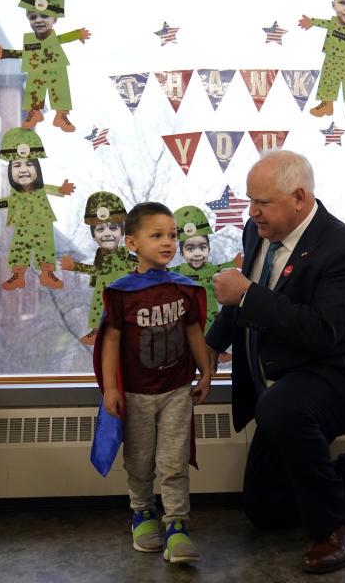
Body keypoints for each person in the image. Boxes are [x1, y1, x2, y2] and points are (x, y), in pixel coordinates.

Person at [205, 151, 345, 574]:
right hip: (291, 380)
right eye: (250, 201)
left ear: (299, 197)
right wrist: (212, 348)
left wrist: (247, 294)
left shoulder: (343, 247)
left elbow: (322, 331)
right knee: (265, 509)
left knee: (280, 407)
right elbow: (244, 296)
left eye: (262, 202)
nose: (253, 212)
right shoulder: (256, 232)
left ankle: (336, 527)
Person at [94, 202, 213, 564]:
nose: (168, 242)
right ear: (132, 242)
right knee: (141, 460)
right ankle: (142, 514)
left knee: (174, 461)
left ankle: (177, 524)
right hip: (136, 392)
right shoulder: (122, 292)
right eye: (157, 235)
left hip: (177, 390)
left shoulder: (183, 288)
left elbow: (193, 329)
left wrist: (205, 371)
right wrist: (111, 390)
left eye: (173, 235)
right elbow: (110, 339)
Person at [0, 127, 74, 291]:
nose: (23, 169)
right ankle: (17, 275)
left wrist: (62, 190)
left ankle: (47, 274)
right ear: (10, 171)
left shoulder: (40, 189)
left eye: (29, 164)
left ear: (37, 169)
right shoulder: (16, 194)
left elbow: (51, 189)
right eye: (16, 165)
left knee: (46, 248)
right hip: (22, 225)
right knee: (18, 249)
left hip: (43, 223)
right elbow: (7, 202)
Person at [0, 0, 90, 133]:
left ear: (55, 19)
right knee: (33, 89)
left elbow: (64, 38)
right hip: (36, 69)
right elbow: (23, 54)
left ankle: (61, 116)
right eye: (33, 17)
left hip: (56, 67)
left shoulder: (53, 38)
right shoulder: (31, 41)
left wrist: (78, 34)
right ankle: (34, 113)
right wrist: (5, 53)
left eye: (44, 16)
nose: (38, 20)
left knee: (60, 90)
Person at [60, 192, 135, 345]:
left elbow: (139, 263)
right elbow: (95, 270)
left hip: (122, 292)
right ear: (94, 235)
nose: (107, 234)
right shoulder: (99, 254)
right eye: (100, 230)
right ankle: (96, 331)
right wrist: (75, 266)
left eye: (113, 228)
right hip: (102, 290)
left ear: (121, 233)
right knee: (97, 307)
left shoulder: (125, 254)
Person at [168, 205, 243, 333]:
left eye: (202, 247)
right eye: (190, 249)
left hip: (211, 320)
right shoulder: (177, 272)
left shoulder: (210, 270)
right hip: (186, 321)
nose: (197, 253)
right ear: (181, 253)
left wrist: (234, 262)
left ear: (209, 249)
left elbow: (220, 269)